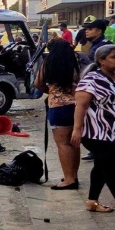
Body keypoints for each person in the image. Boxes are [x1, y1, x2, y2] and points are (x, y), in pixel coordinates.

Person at [72, 45, 115, 214]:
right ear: (101, 60)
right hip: (97, 132)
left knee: (102, 165)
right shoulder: (91, 80)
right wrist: (76, 129)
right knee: (112, 164)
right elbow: (81, 106)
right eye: (114, 57)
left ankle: (92, 201)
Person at [33, 39, 81, 189]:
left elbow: (38, 83)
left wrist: (52, 92)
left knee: (63, 144)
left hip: (58, 107)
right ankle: (74, 175)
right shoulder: (75, 62)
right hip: (76, 106)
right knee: (74, 143)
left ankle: (68, 179)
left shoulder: (48, 63)